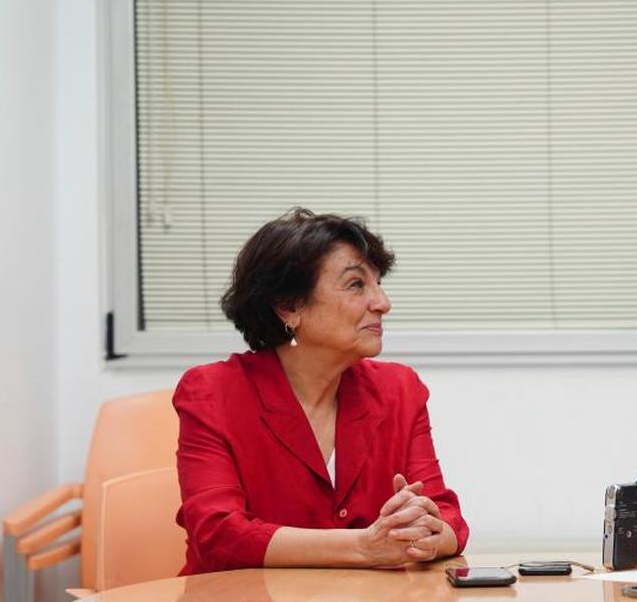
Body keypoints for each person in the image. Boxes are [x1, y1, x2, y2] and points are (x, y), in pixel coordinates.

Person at [174, 209, 469, 574]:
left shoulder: (399, 389)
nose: (383, 303)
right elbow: (218, 535)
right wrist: (365, 547)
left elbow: (447, 516)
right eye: (356, 285)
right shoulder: (212, 392)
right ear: (289, 306)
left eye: (378, 283)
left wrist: (425, 534)